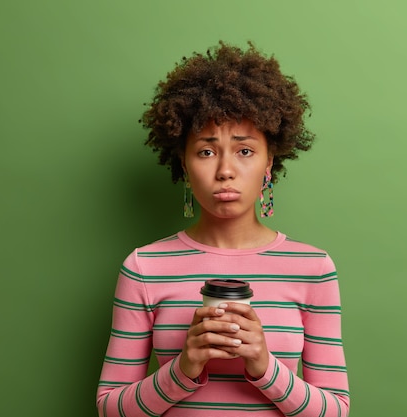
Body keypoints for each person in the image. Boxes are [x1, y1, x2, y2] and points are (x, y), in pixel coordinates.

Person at [96, 41, 350, 417]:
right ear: (183, 163)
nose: (225, 170)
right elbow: (109, 409)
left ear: (269, 162)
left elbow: (336, 411)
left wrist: (265, 367)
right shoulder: (144, 267)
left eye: (244, 150)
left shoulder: (313, 268)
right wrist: (183, 369)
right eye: (206, 151)